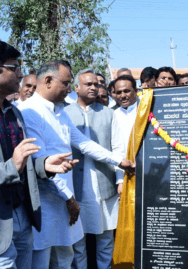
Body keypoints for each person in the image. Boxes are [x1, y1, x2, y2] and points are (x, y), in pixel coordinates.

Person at [18, 60, 135, 269]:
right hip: (45, 202)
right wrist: (69, 197)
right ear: (47, 81)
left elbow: (83, 143)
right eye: (65, 83)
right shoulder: (30, 112)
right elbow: (41, 162)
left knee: (65, 257)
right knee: (42, 260)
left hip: (64, 200)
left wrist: (119, 161)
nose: (69, 89)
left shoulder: (60, 112)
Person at [0, 42, 78, 269]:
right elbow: (13, 164)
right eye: (14, 68)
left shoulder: (13, 112)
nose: (21, 75)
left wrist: (44, 165)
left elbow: (24, 160)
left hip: (23, 213)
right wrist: (12, 165)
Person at [65, 68, 125, 269]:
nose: (94, 87)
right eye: (88, 84)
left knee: (106, 237)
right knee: (78, 241)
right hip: (76, 186)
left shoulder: (109, 113)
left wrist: (119, 180)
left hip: (105, 183)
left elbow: (117, 147)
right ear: (75, 88)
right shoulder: (64, 113)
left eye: (96, 84)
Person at [113, 75, 138, 151]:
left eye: (126, 91)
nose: (123, 95)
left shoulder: (145, 110)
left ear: (136, 91)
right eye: (119, 92)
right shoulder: (113, 115)